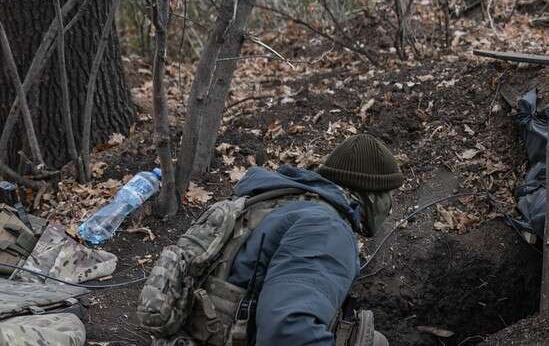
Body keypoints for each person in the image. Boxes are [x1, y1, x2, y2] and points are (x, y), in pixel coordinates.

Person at [140, 134, 402, 346]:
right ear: (372, 196)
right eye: (389, 196)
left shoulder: (277, 201)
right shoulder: (325, 228)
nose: (390, 207)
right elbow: (288, 331)